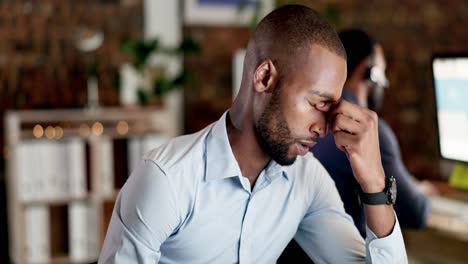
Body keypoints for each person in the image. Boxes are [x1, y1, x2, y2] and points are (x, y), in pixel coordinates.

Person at [98, 6, 407, 263]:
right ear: (265, 77)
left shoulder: (307, 180)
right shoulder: (167, 180)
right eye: (316, 103)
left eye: (330, 108)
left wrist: (375, 183)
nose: (323, 128)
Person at [312, 29, 435, 238]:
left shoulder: (311, 119)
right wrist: (423, 192)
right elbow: (415, 212)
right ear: (367, 70)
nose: (384, 83)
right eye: (382, 72)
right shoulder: (366, 131)